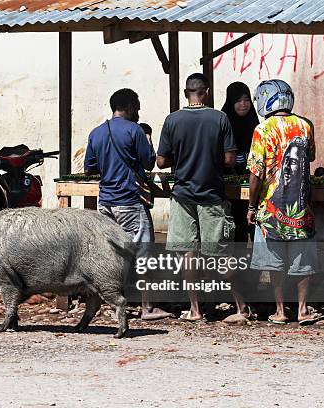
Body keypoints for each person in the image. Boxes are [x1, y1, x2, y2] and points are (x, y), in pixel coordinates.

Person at [157, 73, 244, 322]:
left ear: (187, 93)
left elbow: (161, 161)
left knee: (187, 256)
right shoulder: (219, 118)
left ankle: (195, 310)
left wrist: (182, 157)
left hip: (183, 197)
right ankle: (241, 308)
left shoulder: (172, 120)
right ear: (205, 91)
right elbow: (229, 159)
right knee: (221, 255)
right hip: (212, 195)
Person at [84, 88, 172, 320]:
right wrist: (148, 139)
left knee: (112, 255)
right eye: (138, 106)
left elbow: (90, 167)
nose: (139, 111)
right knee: (144, 253)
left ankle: (115, 307)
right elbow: (149, 162)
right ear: (131, 106)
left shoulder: (96, 133)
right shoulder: (135, 130)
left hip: (106, 204)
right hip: (130, 201)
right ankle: (148, 307)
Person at [247, 79, 323, 325]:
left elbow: (256, 173)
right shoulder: (305, 125)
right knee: (303, 262)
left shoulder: (263, 130)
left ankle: (280, 311)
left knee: (274, 264)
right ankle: (302, 310)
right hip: (301, 209)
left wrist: (250, 205)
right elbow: (310, 155)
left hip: (270, 211)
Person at [221, 82, 260, 244]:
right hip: (229, 181)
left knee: (255, 226)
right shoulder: (223, 121)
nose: (243, 104)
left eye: (246, 100)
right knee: (236, 226)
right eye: (238, 101)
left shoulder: (256, 123)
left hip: (253, 180)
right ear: (231, 102)